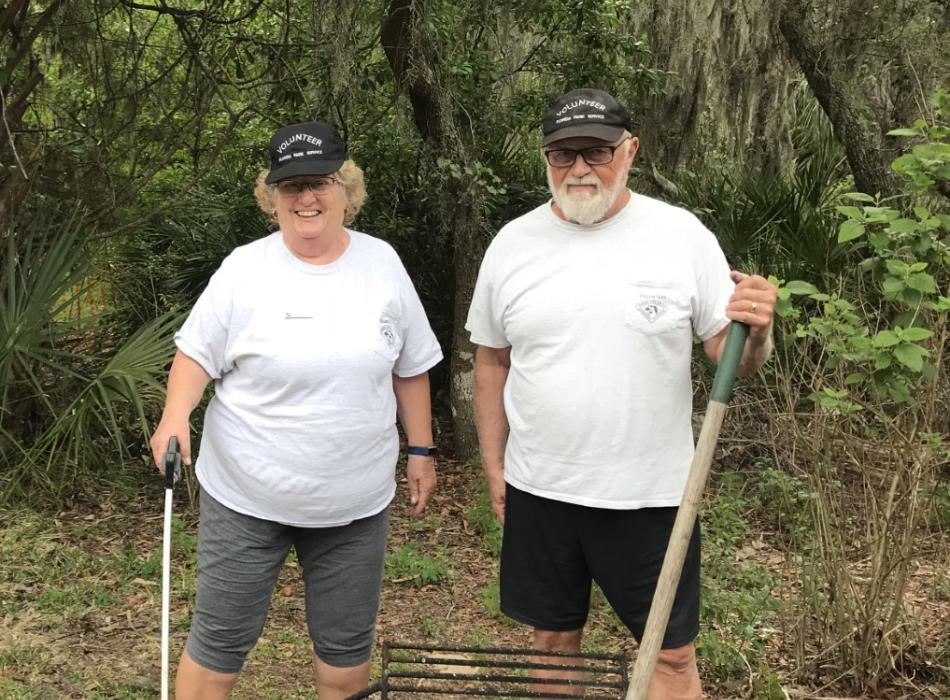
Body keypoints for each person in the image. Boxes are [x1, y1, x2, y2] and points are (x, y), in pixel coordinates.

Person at [465, 88, 777, 699]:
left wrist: (758, 330)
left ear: (628, 151)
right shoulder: (512, 244)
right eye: (562, 154)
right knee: (551, 644)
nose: (579, 168)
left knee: (671, 656)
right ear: (546, 159)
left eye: (596, 151)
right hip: (542, 487)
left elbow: (731, 355)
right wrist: (494, 463)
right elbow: (491, 362)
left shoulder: (679, 235)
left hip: (653, 495)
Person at [149, 121, 442, 700]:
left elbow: (411, 367)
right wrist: (174, 414)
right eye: (291, 187)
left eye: (320, 183)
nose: (306, 198)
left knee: (344, 659)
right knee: (217, 649)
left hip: (354, 505)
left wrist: (422, 449)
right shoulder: (244, 269)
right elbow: (194, 355)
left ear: (346, 191)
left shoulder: (383, 264)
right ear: (273, 197)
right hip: (246, 496)